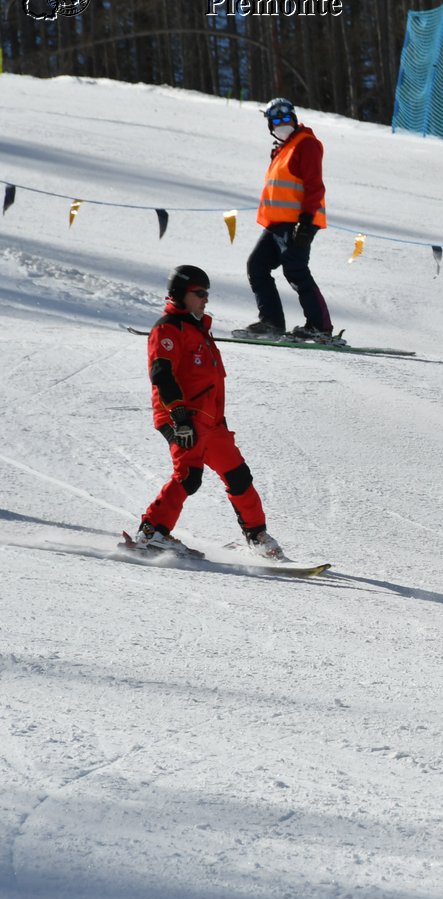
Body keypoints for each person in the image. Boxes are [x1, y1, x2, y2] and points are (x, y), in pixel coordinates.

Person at [127, 265, 285, 560]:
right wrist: (179, 416)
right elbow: (161, 374)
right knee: (189, 475)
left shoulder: (200, 331)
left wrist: (218, 419)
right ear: (180, 294)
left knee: (239, 476)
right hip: (182, 418)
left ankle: (257, 536)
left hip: (211, 423)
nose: (205, 299)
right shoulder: (168, 329)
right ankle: (152, 533)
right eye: (199, 293)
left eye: (207, 293)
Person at [241, 97, 334, 341]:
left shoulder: (306, 144)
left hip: (298, 222)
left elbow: (315, 186)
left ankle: (320, 326)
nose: (283, 124)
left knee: (295, 270)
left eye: (286, 118)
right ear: (270, 125)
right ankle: (271, 323)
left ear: (294, 118)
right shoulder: (283, 148)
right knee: (257, 266)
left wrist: (305, 222)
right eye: (277, 120)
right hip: (277, 224)